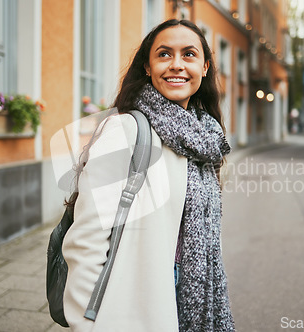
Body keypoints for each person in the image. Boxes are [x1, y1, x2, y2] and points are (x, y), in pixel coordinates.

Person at [62, 19, 236, 332]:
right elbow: (86, 239)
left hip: (193, 292)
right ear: (147, 66)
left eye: (189, 55)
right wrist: (85, 324)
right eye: (164, 54)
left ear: (205, 67)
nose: (177, 65)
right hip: (137, 299)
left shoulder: (206, 138)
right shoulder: (125, 130)